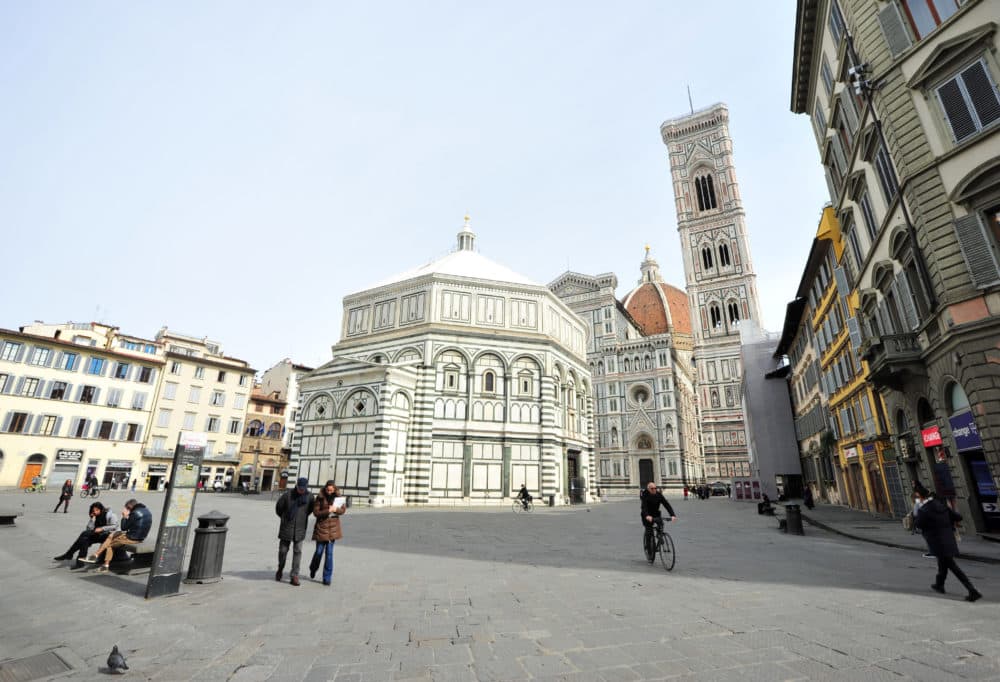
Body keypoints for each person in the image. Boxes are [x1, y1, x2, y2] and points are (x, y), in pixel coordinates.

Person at [913, 485, 981, 602]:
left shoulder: (924, 510)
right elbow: (958, 517)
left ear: (921, 497)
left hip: (936, 541)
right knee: (943, 564)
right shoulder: (942, 506)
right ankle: (939, 584)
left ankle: (972, 590)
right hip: (948, 539)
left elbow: (918, 525)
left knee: (953, 567)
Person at [83, 499, 153, 573]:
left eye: (127, 508)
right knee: (112, 535)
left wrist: (124, 516)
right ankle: (95, 555)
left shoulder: (134, 513)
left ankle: (105, 566)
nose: (127, 510)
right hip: (141, 536)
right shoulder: (146, 510)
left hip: (133, 538)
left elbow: (124, 527)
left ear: (130, 506)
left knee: (110, 545)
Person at [275, 477, 315, 586]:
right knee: (283, 551)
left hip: (300, 528)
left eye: (303, 489)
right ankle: (280, 569)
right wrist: (285, 518)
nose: (301, 490)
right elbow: (279, 508)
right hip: (286, 527)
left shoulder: (310, 497)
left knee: (298, 551)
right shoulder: (287, 495)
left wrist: (301, 517)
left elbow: (310, 510)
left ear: (306, 487)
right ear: (296, 486)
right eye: (299, 488)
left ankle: (294, 575)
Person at [54, 502, 119, 568]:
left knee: (84, 534)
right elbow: (89, 529)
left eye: (97, 510)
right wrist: (92, 519)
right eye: (93, 511)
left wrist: (102, 528)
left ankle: (69, 554)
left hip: (109, 536)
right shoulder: (95, 516)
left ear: (101, 509)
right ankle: (79, 563)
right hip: (100, 535)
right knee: (84, 540)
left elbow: (115, 526)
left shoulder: (111, 515)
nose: (95, 512)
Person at [309, 481, 346, 586]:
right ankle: (313, 568)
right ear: (325, 488)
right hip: (321, 528)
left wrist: (336, 509)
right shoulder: (320, 497)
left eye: (331, 490)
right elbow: (316, 512)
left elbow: (343, 510)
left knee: (329, 554)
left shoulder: (338, 498)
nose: (329, 492)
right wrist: (328, 511)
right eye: (327, 490)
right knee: (318, 552)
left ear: (334, 489)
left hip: (332, 530)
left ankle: (327, 578)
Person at [640, 482, 677, 562]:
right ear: (648, 489)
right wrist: (647, 516)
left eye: (655, 488)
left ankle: (659, 535)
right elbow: (644, 507)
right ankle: (649, 552)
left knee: (661, 525)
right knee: (649, 532)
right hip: (647, 515)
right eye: (652, 489)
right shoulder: (645, 495)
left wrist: (672, 515)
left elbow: (666, 504)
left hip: (656, 514)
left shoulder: (659, 495)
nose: (654, 490)